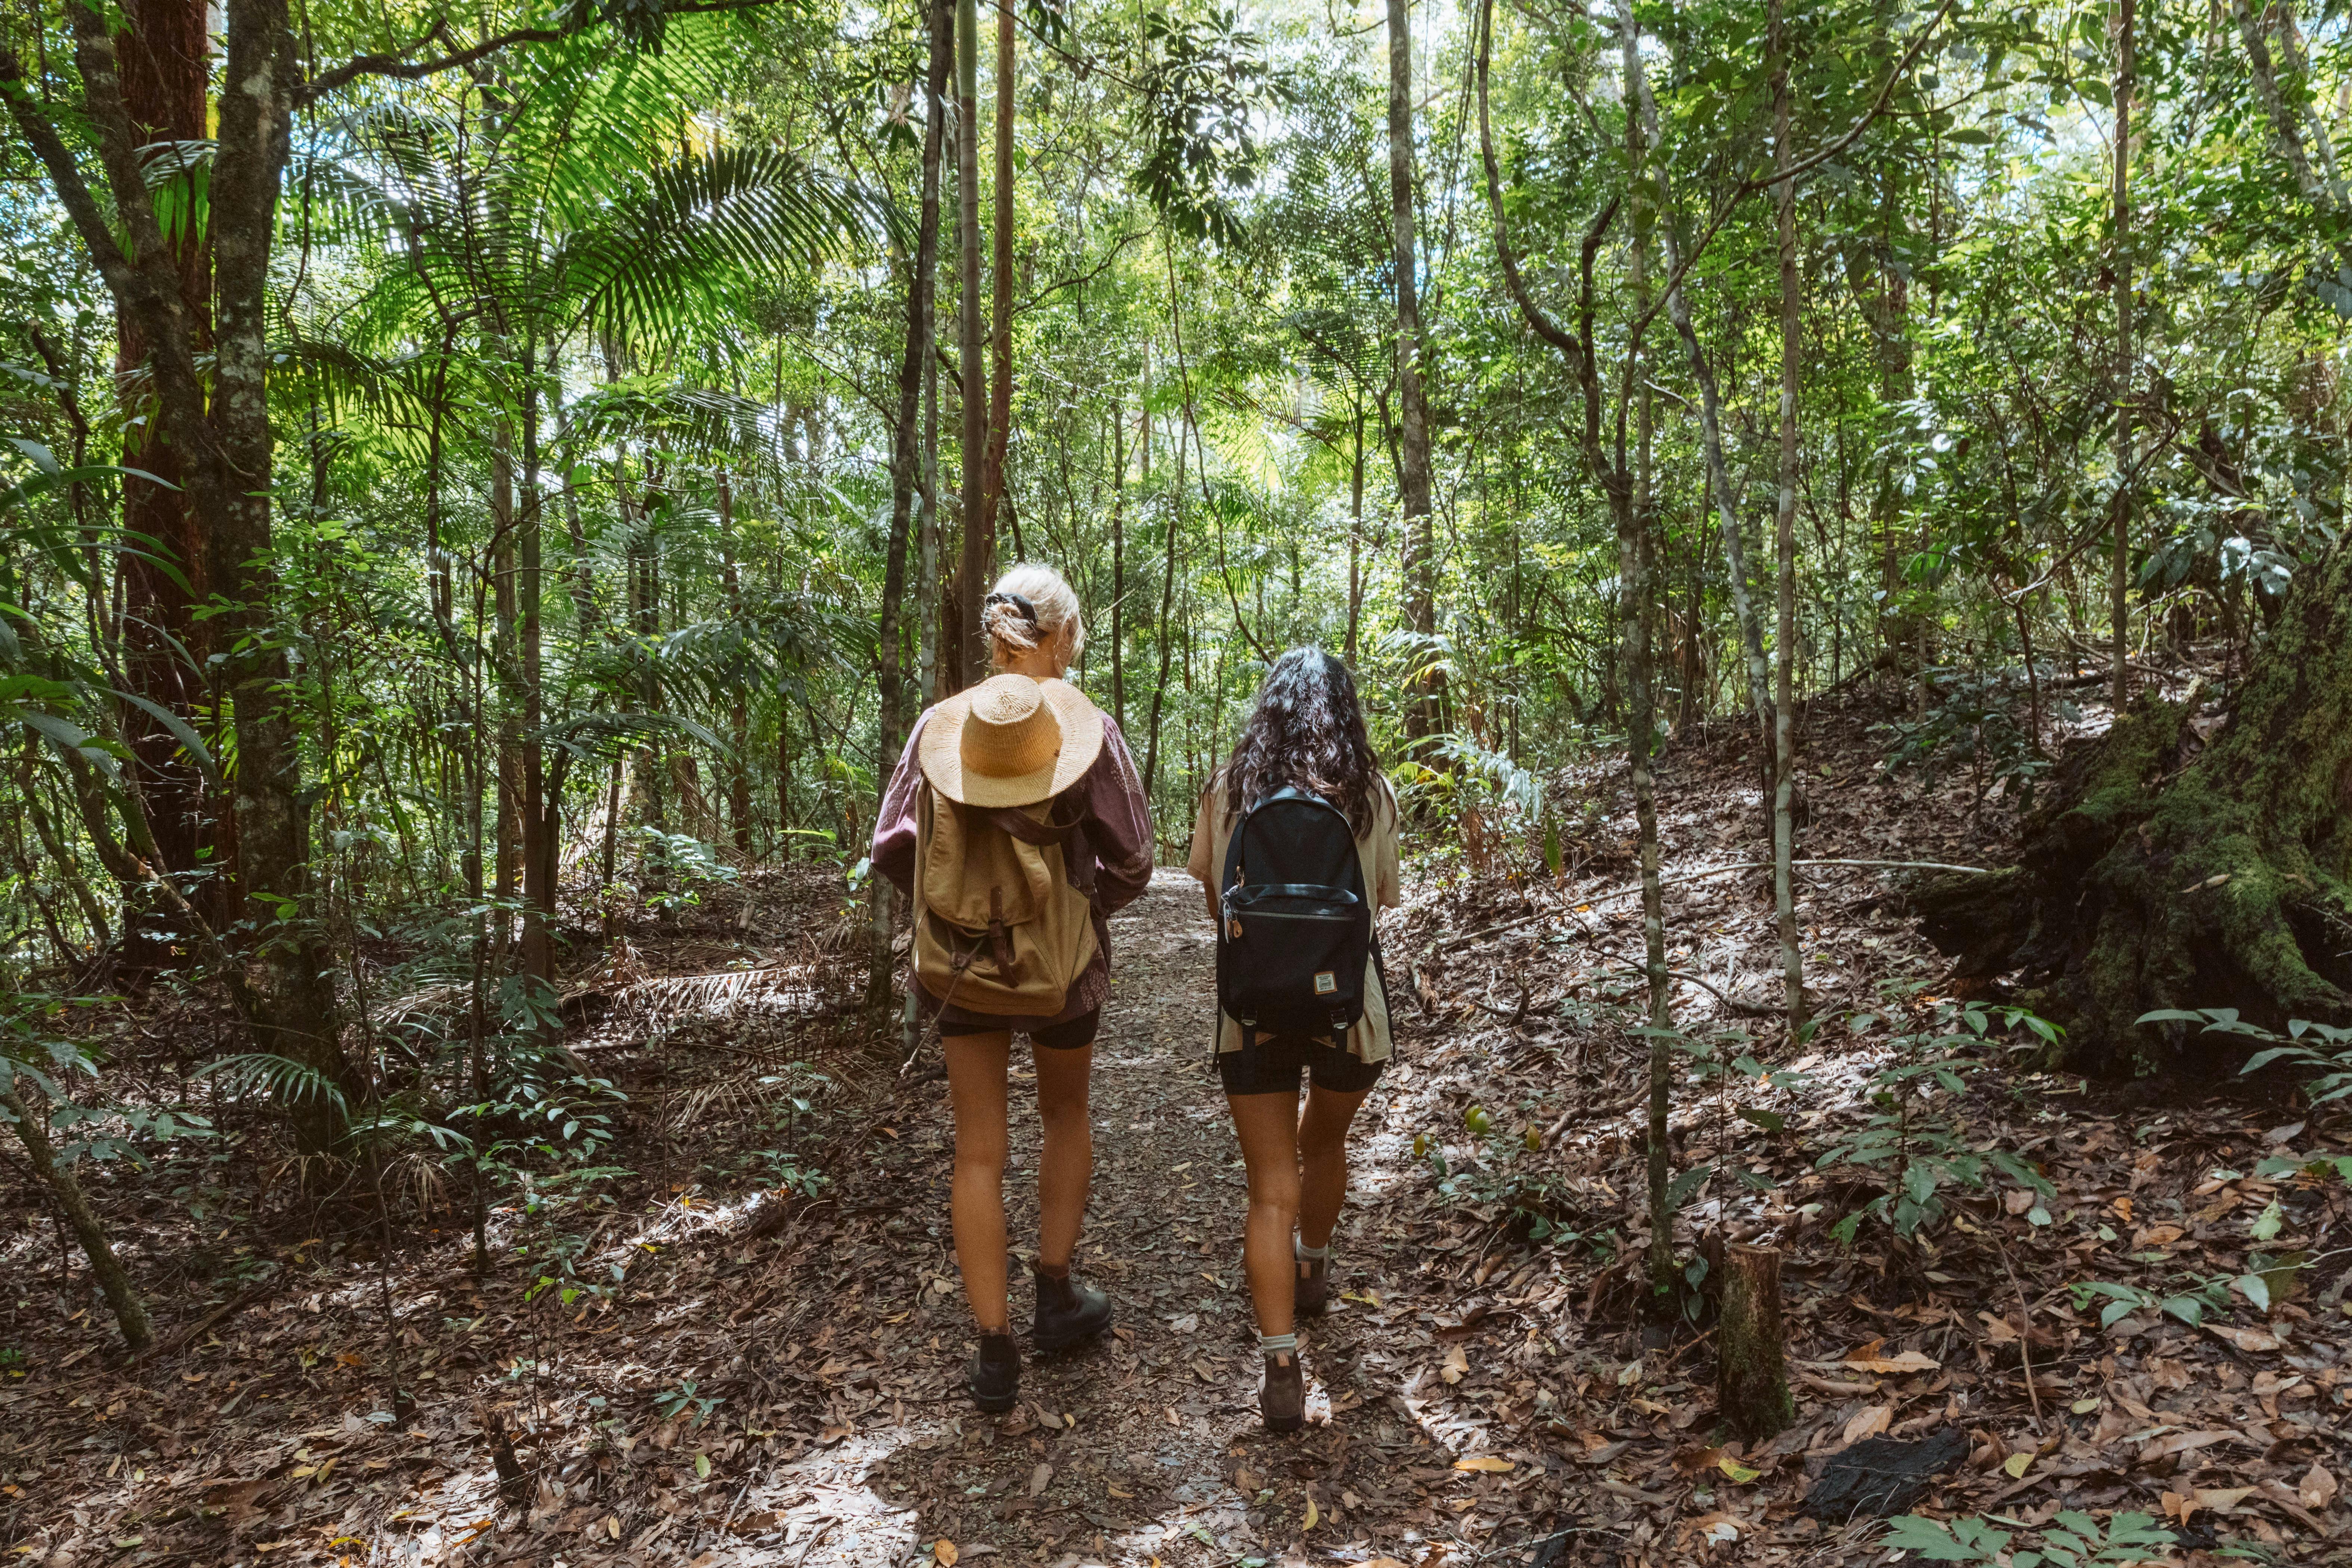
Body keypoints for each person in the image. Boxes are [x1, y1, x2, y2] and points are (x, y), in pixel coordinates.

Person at [872, 564, 1153, 1412]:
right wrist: (1072, 905)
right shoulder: (1085, 729)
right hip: (1063, 971)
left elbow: (891, 846)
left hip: (960, 967)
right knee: (1065, 1112)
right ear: (1063, 638)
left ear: (993, 637)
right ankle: (1056, 1295)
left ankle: (994, 1350)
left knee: (977, 1150)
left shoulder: (938, 727)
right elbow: (1136, 858)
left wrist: (961, 911)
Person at [1187, 647, 1401, 1431]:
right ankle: (1313, 1265)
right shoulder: (1371, 791)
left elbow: (1213, 895)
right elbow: (1382, 898)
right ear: (1346, 709)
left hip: (1250, 1013)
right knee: (1328, 1145)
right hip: (1352, 1010)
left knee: (1269, 1183)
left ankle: (1280, 1365)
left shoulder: (1231, 787)